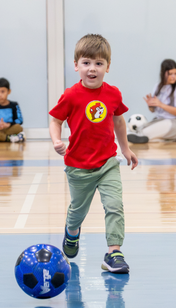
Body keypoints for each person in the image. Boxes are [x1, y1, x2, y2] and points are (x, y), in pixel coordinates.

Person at [49, 34, 138, 274]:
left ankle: (114, 253)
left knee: (114, 205)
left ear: (107, 67)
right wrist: (57, 140)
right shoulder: (70, 96)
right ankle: (72, 232)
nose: (92, 69)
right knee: (79, 210)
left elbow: (118, 122)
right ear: (76, 65)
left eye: (99, 63)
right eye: (87, 63)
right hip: (78, 166)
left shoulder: (113, 94)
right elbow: (55, 119)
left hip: (108, 162)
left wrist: (126, 149)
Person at [127, 59, 176, 143]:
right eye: (170, 74)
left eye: (175, 74)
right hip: (159, 120)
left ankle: (145, 137)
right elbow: (153, 110)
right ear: (163, 73)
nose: (173, 77)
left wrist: (161, 104)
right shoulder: (158, 86)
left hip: (174, 123)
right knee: (140, 129)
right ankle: (157, 138)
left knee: (145, 132)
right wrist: (151, 105)